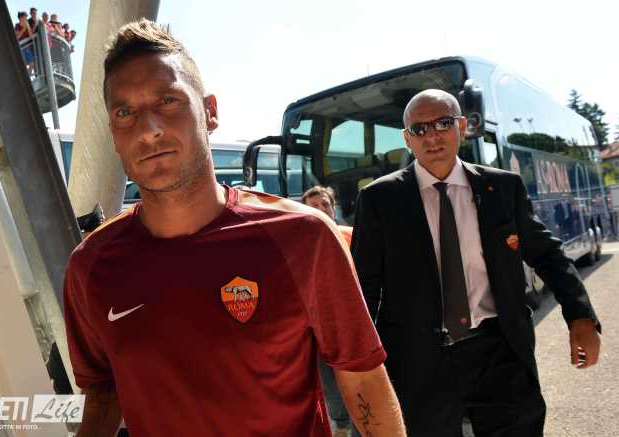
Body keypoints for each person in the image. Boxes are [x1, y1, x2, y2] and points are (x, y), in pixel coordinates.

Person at [64, 19, 405, 437]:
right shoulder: (90, 267)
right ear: (113, 134)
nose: (148, 130)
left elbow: (363, 380)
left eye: (168, 101)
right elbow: (102, 392)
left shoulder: (303, 237)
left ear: (210, 112)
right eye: (125, 113)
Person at [351, 89, 601, 437]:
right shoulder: (378, 199)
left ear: (462, 126)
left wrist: (580, 316)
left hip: (499, 352)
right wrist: (359, 363)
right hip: (419, 364)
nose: (432, 136)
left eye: (443, 123)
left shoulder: (503, 188)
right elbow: (363, 287)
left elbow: (548, 255)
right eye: (420, 129)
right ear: (407, 139)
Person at [301, 186, 356, 437]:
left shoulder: (353, 235)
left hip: (354, 324)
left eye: (325, 204)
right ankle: (341, 426)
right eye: (314, 206)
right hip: (318, 328)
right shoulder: (296, 244)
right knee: (331, 386)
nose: (322, 209)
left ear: (334, 208)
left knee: (360, 381)